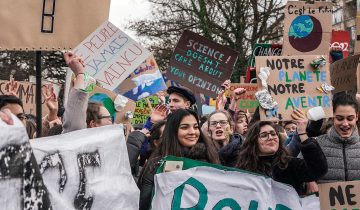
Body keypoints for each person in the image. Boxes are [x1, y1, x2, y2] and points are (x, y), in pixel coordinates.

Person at [138, 109, 219, 210]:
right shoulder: (157, 164)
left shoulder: (211, 156)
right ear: (173, 131)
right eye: (185, 127)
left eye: (196, 127)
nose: (192, 132)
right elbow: (145, 202)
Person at [236, 109, 328, 193]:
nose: (271, 138)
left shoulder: (290, 164)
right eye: (264, 135)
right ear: (253, 142)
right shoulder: (244, 170)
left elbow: (319, 170)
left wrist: (302, 133)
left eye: (273, 134)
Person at [316, 94, 360, 182]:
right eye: (339, 118)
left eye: (350, 118)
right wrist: (309, 182)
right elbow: (298, 173)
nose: (345, 124)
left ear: (357, 117)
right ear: (332, 117)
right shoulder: (317, 144)